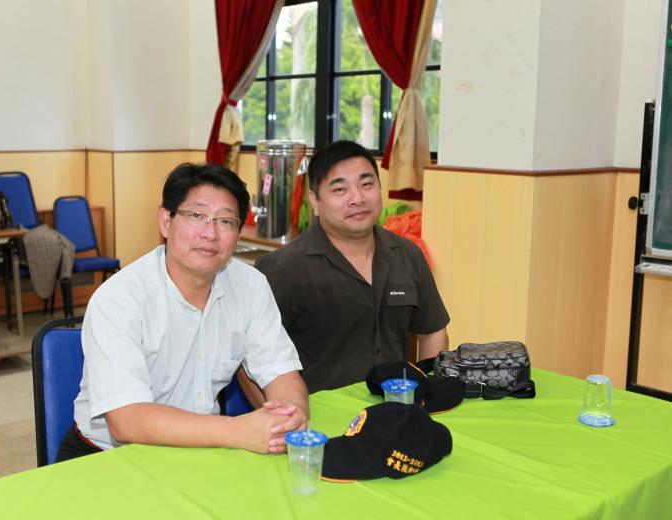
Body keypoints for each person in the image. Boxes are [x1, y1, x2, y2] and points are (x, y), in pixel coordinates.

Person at [57, 163, 309, 462]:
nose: (210, 233)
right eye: (197, 216)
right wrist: (239, 430)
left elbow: (280, 371)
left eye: (226, 221)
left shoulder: (250, 286)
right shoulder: (119, 298)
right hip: (107, 458)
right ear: (166, 222)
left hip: (203, 449)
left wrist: (291, 416)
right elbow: (126, 421)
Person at [241, 140, 449, 400]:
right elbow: (248, 355)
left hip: (396, 412)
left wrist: (427, 397)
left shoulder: (407, 255)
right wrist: (279, 417)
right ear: (315, 201)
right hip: (318, 417)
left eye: (367, 184)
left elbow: (432, 332)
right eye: (340, 189)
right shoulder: (283, 268)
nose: (357, 199)